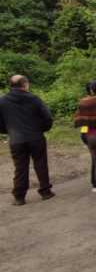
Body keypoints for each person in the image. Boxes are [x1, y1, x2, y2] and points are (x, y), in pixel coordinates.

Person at [0, 75, 55, 205]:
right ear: (25, 84)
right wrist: (42, 129)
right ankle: (45, 191)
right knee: (41, 164)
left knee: (20, 167)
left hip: (16, 139)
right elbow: (47, 117)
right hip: (36, 137)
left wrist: (9, 131)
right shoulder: (34, 99)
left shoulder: (3, 101)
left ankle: (19, 197)